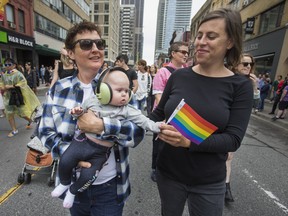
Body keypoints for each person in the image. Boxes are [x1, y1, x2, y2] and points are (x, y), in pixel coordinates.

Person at [148, 8, 253, 216]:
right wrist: (122, 120)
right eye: (199, 35)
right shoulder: (179, 77)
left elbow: (233, 139)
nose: (201, 42)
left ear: (230, 42)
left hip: (209, 180)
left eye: (211, 36)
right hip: (168, 173)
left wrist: (188, 142)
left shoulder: (240, 85)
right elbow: (157, 114)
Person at [38, 20, 145, 216]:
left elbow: (138, 132)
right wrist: (71, 154)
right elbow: (44, 131)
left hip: (110, 188)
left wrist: (102, 126)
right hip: (73, 185)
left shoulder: (120, 83)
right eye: (87, 44)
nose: (96, 49)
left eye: (99, 44)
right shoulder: (59, 88)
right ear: (70, 53)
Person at [51, 67, 161, 209]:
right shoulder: (92, 101)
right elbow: (79, 113)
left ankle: (72, 191)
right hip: (82, 143)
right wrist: (76, 113)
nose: (124, 95)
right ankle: (65, 183)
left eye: (127, 91)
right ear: (103, 90)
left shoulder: (127, 109)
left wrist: (157, 127)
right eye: (119, 90)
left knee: (89, 175)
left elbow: (143, 122)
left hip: (101, 154)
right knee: (65, 160)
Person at [150, 41, 188, 182]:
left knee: (178, 144)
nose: (186, 55)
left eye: (187, 52)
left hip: (183, 116)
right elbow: (159, 96)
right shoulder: (163, 72)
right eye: (182, 52)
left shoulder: (189, 71)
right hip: (164, 116)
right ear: (173, 54)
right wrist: (168, 116)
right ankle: (155, 168)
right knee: (160, 143)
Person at [225, 53, 259, 202]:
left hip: (237, 124)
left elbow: (255, 107)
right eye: (244, 64)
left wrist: (255, 88)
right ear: (235, 64)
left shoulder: (250, 82)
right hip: (223, 121)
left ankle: (225, 187)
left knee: (229, 156)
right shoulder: (227, 79)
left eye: (250, 64)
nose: (248, 67)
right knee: (225, 155)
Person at [0, 58, 41, 137]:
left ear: (14, 65)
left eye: (9, 64)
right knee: (9, 113)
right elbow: (1, 82)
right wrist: (3, 87)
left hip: (16, 96)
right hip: (7, 97)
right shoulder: (4, 74)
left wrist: (11, 86)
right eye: (6, 65)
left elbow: (23, 83)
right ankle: (14, 129)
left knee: (21, 112)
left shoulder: (18, 74)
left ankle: (31, 120)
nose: (7, 66)